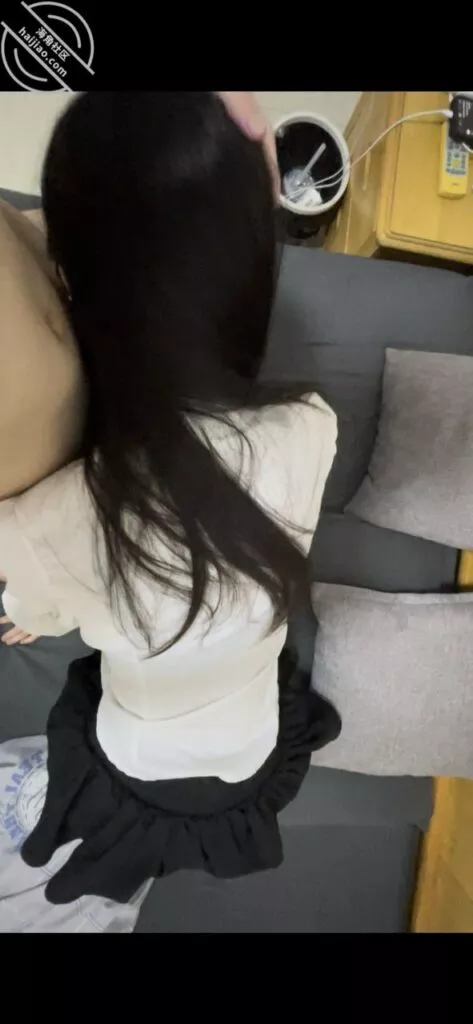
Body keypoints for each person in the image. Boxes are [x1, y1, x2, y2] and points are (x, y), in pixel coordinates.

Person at [0, 92, 339, 930]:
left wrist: (35, 608)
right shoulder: (309, 424)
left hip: (141, 758)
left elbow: (39, 612)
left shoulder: (49, 525)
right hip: (251, 740)